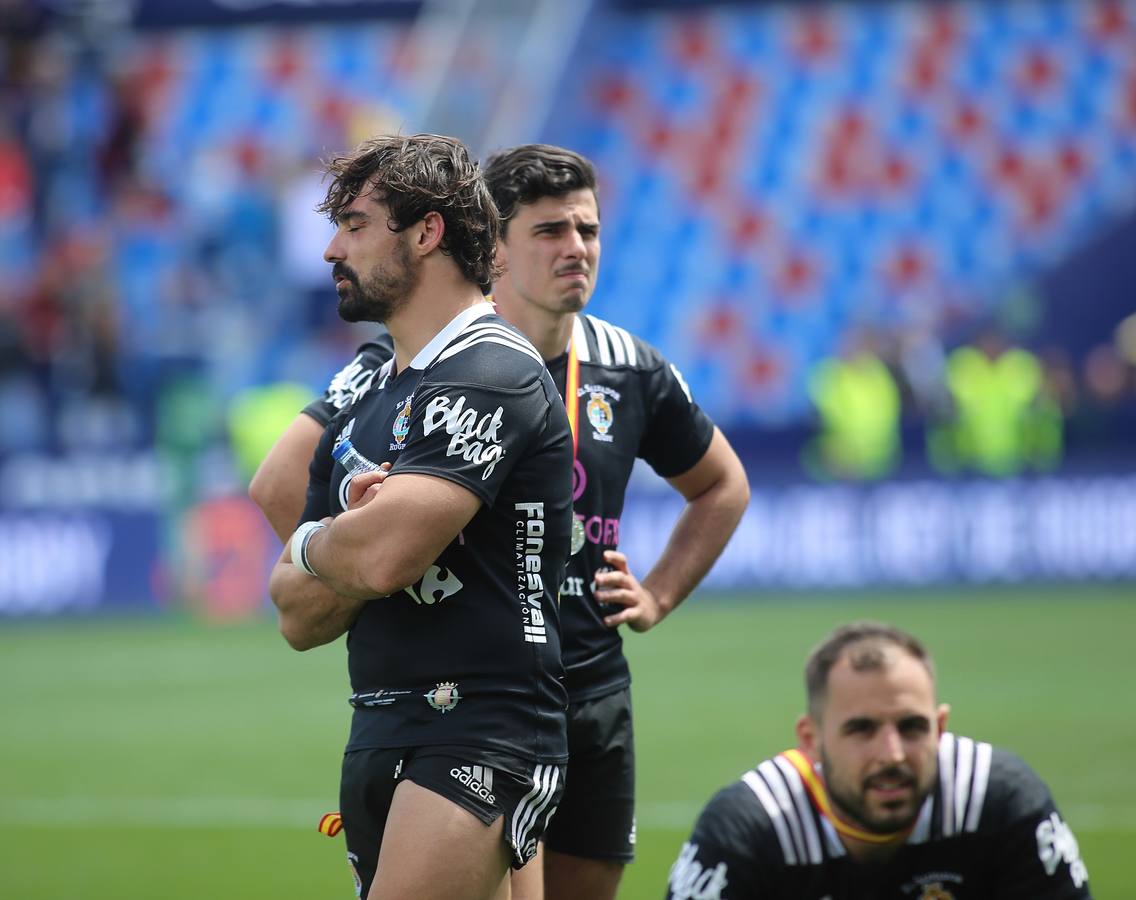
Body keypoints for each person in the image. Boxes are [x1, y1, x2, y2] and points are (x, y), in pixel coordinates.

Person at [251, 143, 750, 900]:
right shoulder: (381, 374)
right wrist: (357, 561)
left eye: (588, 230)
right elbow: (298, 582)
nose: (576, 248)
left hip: (525, 700)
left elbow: (381, 557)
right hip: (405, 705)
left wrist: (341, 549)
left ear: (427, 234)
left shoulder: (548, 368)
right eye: (551, 230)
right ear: (501, 244)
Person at [267, 133, 574, 900]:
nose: (333, 249)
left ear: (427, 232)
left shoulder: (493, 370)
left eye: (357, 224)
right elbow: (297, 617)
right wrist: (330, 543)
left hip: (483, 726)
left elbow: (382, 560)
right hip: (380, 725)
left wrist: (319, 545)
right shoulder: (366, 401)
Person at [665, 622, 1093, 899]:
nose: (891, 754)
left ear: (940, 728)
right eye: (861, 729)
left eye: (912, 727)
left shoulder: (998, 801)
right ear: (810, 741)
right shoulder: (751, 830)